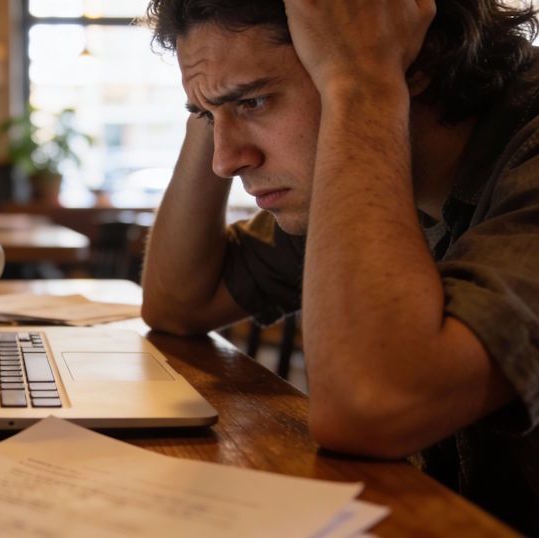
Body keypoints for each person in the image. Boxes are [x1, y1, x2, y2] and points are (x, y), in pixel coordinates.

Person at [140, 0, 539, 532]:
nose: (225, 160)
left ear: (417, 62)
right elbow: (180, 302)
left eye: (256, 99)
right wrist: (210, 97)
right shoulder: (367, 173)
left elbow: (373, 408)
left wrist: (364, 81)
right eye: (209, 118)